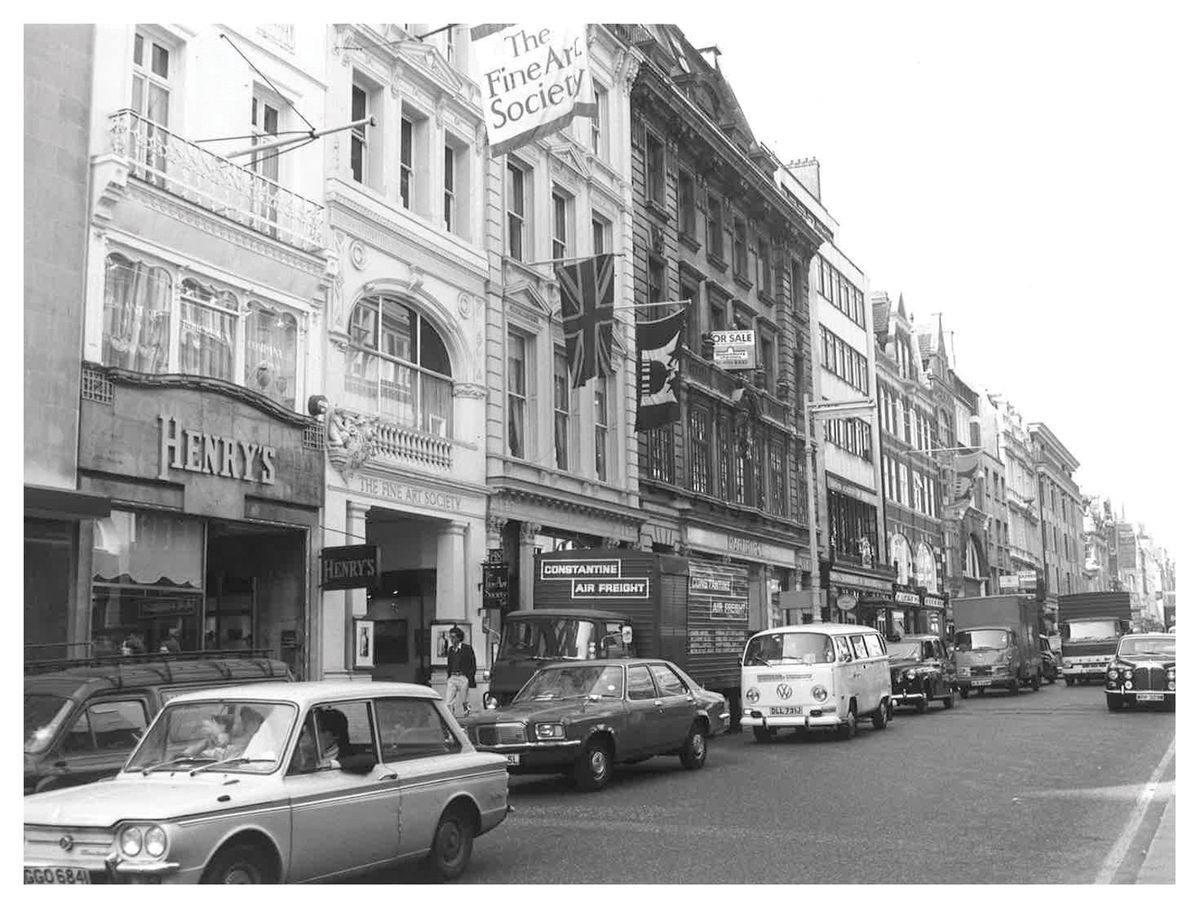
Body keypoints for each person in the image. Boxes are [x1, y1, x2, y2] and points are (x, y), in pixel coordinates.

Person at [444, 626, 477, 719]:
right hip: (453, 676)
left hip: (463, 677)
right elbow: (449, 664)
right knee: (448, 700)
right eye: (450, 637)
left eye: (454, 637)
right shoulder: (450, 650)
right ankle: (450, 717)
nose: (452, 640)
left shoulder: (467, 648)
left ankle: (467, 715)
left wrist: (469, 677)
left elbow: (472, 663)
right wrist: (449, 676)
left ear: (459, 638)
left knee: (464, 700)